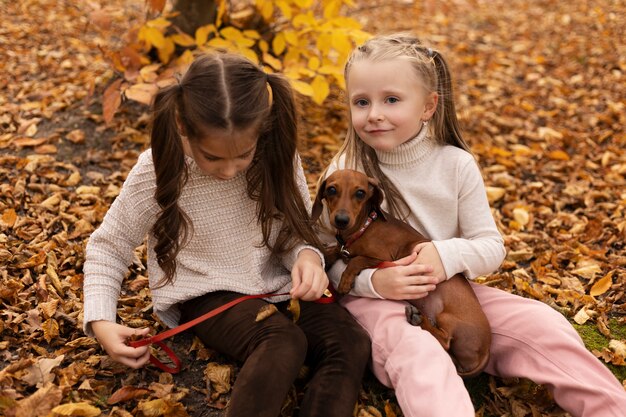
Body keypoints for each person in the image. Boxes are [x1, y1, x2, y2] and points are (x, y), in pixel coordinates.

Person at [319, 33, 626, 417]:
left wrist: (444, 254)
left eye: (391, 99)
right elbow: (322, 253)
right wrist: (372, 283)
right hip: (375, 303)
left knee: (544, 324)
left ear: (429, 105)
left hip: (451, 292)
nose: (374, 113)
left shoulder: (455, 164)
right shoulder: (346, 172)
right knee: (420, 353)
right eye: (361, 102)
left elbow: (490, 247)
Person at [82, 52, 370, 417]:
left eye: (243, 156)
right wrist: (101, 320)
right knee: (282, 341)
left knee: (350, 340)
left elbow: (295, 232)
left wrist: (307, 257)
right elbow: (109, 246)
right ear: (184, 127)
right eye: (213, 157)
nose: (229, 170)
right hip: (209, 294)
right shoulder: (157, 170)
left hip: (277, 286)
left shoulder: (277, 155)